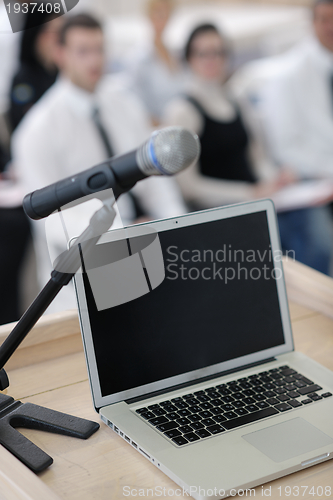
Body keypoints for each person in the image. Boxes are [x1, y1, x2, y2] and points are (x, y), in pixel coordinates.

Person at [12, 13, 186, 313]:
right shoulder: (37, 130)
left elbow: (155, 178)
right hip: (84, 275)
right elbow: (52, 222)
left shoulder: (124, 103)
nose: (95, 60)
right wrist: (127, 233)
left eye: (100, 49)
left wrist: (176, 227)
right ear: (60, 54)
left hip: (145, 251)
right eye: (83, 51)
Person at [163, 23, 332, 275]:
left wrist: (274, 179)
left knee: (314, 226)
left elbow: (258, 158)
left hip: (260, 199)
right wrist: (248, 192)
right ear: (189, 58)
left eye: (218, 52)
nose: (212, 60)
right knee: (300, 241)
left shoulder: (237, 101)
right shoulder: (182, 110)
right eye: (203, 53)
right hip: (224, 209)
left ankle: (320, 303)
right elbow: (190, 187)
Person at [127, 0, 187, 125]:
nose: (162, 18)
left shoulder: (174, 54)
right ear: (148, 15)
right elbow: (135, 104)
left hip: (180, 126)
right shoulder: (139, 57)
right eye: (158, 12)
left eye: (166, 13)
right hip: (156, 132)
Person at [9, 8, 63, 131]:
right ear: (37, 34)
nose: (60, 40)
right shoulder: (23, 79)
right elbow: (24, 125)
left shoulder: (64, 74)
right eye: (56, 32)